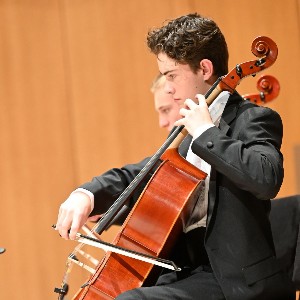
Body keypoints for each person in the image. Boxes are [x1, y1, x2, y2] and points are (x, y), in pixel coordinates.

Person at [56, 13, 295, 299]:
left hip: (232, 281)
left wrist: (206, 132)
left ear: (204, 69)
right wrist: (86, 194)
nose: (167, 87)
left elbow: (266, 177)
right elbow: (138, 174)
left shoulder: (252, 119)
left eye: (172, 75)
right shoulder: (185, 134)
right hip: (183, 272)